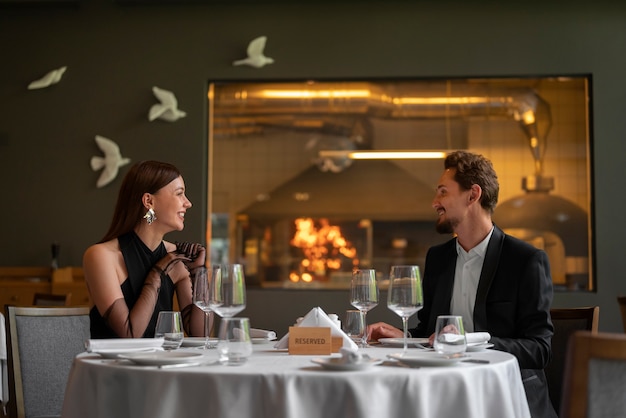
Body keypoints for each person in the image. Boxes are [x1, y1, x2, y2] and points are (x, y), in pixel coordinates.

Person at [368, 151, 557, 418]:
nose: (435, 202)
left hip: (505, 398)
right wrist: (405, 338)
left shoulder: (525, 260)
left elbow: (540, 349)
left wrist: (470, 342)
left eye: (443, 192)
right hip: (443, 392)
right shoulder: (438, 258)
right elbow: (430, 332)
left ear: (473, 195)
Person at [83, 160, 205, 339]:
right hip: (113, 365)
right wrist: (157, 274)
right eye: (179, 194)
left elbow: (199, 335)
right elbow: (129, 335)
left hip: (165, 365)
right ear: (149, 201)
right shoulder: (101, 256)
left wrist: (199, 273)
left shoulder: (175, 258)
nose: (188, 203)